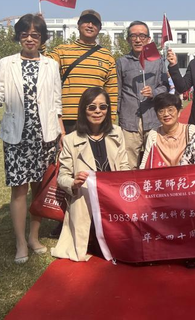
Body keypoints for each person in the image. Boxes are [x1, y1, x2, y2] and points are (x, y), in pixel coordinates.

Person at [0, 13, 62, 264]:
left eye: (35, 35)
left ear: (42, 38)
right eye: (25, 35)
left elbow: (56, 102)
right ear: (18, 37)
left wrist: (60, 132)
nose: (30, 39)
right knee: (19, 189)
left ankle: (33, 237)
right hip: (17, 136)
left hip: (45, 136)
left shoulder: (51, 65)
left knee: (39, 189)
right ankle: (20, 241)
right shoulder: (7, 63)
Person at [51, 87, 130, 262]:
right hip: (85, 201)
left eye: (103, 107)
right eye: (92, 107)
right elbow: (62, 177)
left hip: (113, 200)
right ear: (83, 109)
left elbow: (124, 166)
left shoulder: (117, 133)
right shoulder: (70, 139)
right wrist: (73, 182)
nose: (98, 111)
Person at [47, 9, 118, 135]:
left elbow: (111, 91)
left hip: (96, 117)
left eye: (94, 23)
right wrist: (40, 32)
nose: (90, 25)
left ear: (99, 28)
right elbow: (43, 64)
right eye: (86, 22)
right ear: (78, 25)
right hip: (68, 118)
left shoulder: (107, 56)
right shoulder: (62, 51)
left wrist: (110, 119)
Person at [116, 21, 169, 169]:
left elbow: (165, 86)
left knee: (153, 162)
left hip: (153, 118)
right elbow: (118, 91)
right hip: (129, 119)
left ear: (148, 39)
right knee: (128, 163)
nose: (138, 40)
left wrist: (154, 92)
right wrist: (117, 114)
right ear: (128, 39)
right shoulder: (122, 62)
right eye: (133, 36)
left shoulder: (158, 62)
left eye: (142, 36)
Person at [139, 93, 195, 168]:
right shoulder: (154, 134)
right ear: (157, 115)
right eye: (161, 111)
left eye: (170, 110)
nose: (166, 114)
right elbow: (145, 163)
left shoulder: (190, 131)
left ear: (179, 112)